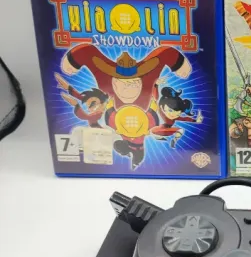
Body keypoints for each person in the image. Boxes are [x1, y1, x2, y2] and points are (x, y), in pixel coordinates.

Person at [60, 44, 191, 168]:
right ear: (113, 83)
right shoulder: (106, 91)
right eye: (123, 83)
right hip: (121, 127)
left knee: (133, 146)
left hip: (135, 125)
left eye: (133, 83)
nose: (128, 88)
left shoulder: (148, 80)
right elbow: (87, 52)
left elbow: (165, 53)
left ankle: (134, 157)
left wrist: (178, 64)